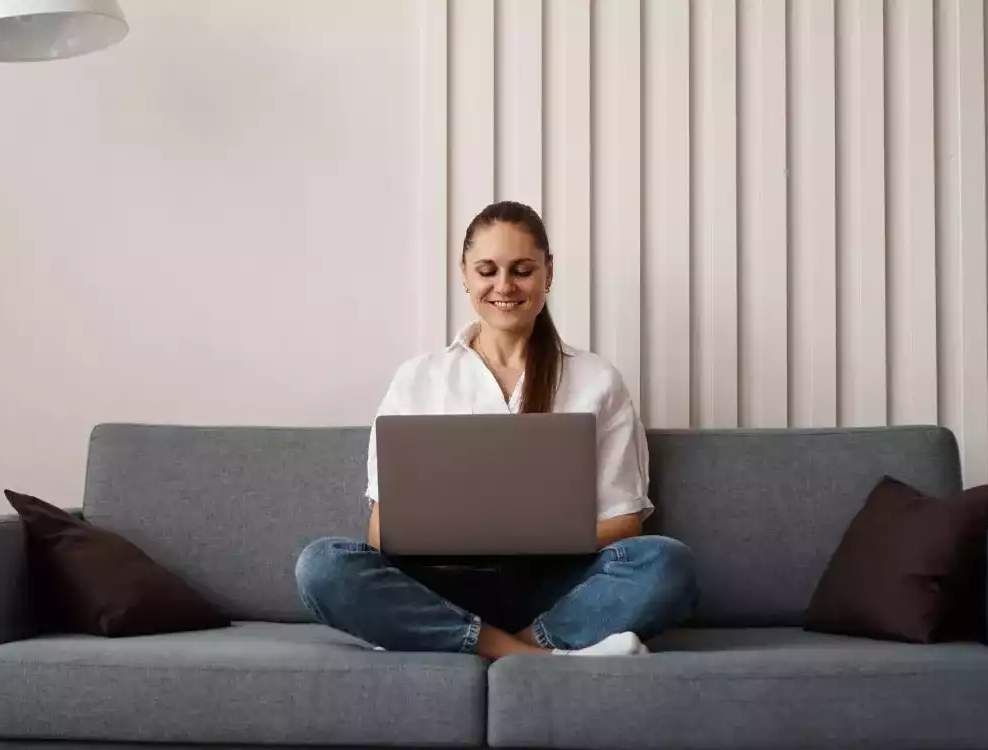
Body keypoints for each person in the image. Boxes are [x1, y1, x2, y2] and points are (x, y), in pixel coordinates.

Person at [294, 200, 698, 659]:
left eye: (522, 270)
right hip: (443, 584)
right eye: (487, 270)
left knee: (668, 564)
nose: (504, 286)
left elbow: (625, 522)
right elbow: (382, 531)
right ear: (464, 274)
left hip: (556, 587)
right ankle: (529, 654)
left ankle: (484, 642)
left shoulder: (597, 380)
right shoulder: (419, 379)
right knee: (323, 566)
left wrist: (533, 537)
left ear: (548, 273)